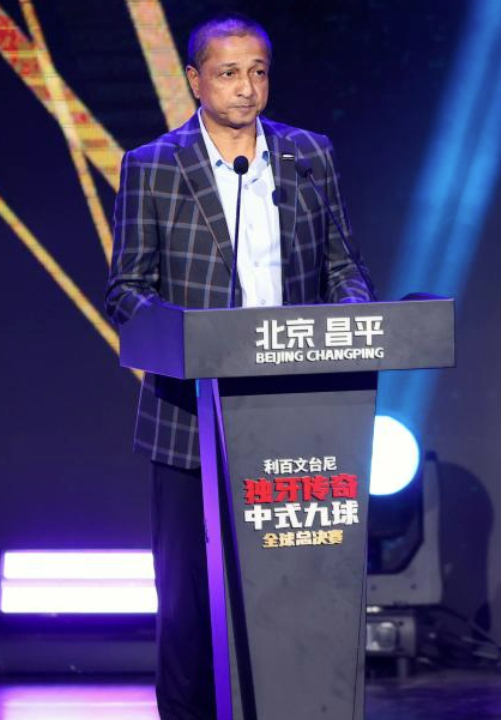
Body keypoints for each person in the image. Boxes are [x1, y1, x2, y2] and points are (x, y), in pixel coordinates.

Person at [104, 13, 372, 720]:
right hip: (189, 421)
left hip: (294, 419)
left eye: (257, 71)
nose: (246, 88)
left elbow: (343, 265)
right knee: (189, 607)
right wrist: (184, 338)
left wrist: (356, 321)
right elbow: (126, 288)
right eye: (228, 73)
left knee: (296, 592)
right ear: (195, 80)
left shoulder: (310, 155)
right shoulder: (154, 165)